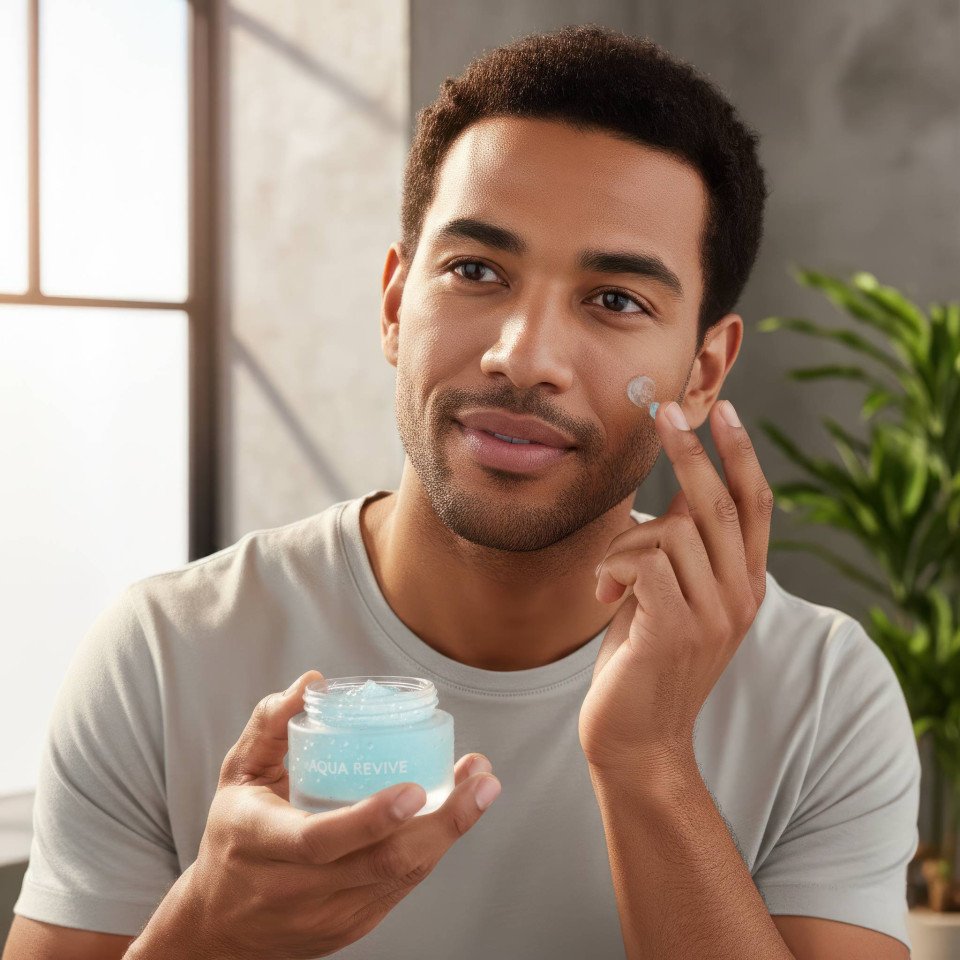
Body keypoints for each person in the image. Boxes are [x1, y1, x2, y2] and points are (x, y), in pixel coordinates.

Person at [5, 23, 919, 960]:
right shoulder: (165, 654)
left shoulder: (821, 695)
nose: (522, 358)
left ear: (702, 372)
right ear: (398, 302)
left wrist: (649, 765)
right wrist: (209, 930)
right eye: (475, 271)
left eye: (614, 300)